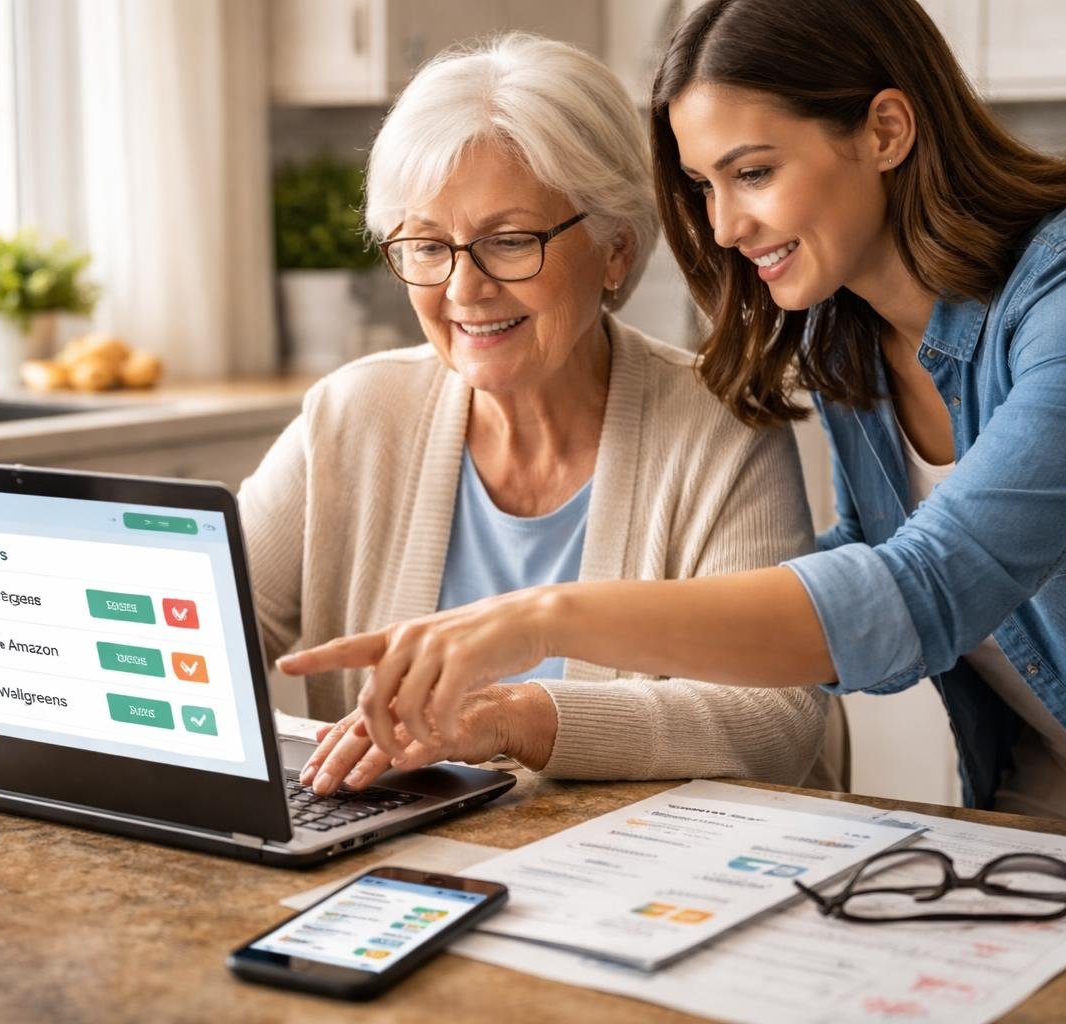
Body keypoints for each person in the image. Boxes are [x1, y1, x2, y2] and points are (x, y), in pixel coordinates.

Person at [280, 0, 1066, 835]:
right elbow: (849, 566)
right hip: (1039, 820)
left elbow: (920, 591)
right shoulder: (845, 339)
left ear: (886, 129)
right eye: (704, 186)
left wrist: (538, 620)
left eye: (754, 171)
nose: (724, 227)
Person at [241, 33, 829, 798]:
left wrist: (518, 717)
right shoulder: (355, 413)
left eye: (509, 241)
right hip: (403, 866)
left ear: (615, 250)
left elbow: (777, 720)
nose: (463, 289)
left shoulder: (719, 425)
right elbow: (202, 622)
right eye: (426, 245)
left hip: (644, 879)